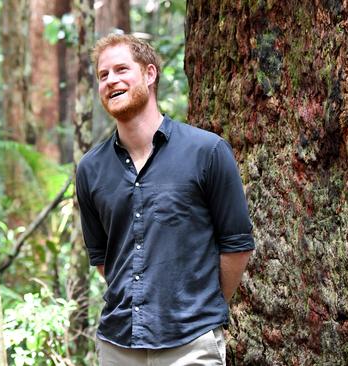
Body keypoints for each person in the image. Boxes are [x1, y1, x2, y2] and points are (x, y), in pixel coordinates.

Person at [75, 34, 255, 365]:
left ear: (150, 73)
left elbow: (237, 245)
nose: (111, 80)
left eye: (121, 69)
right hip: (118, 345)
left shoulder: (208, 152)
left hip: (191, 345)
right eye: (103, 75)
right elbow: (105, 258)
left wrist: (197, 309)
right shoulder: (90, 169)